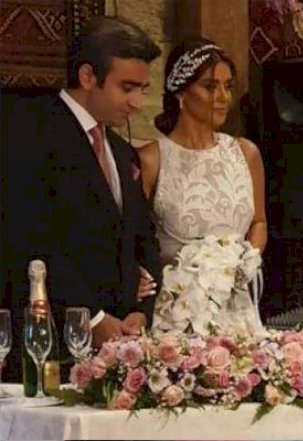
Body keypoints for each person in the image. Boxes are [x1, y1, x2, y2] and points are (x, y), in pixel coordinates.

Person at [2, 16, 163, 381]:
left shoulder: (120, 151)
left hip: (117, 351)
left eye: (143, 89)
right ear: (88, 77)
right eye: (127, 88)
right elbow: (26, 238)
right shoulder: (27, 131)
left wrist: (141, 311)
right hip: (48, 347)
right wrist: (90, 318)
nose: (138, 103)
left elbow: (144, 240)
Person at [136, 37, 267, 334]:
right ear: (181, 92)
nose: (223, 97)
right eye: (210, 87)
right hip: (178, 316)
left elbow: (259, 221)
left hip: (239, 312)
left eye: (228, 86)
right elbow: (134, 240)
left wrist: (247, 260)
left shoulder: (245, 153)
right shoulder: (151, 160)